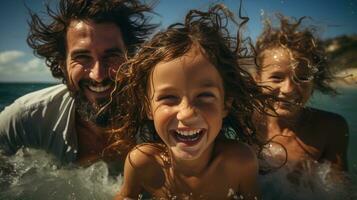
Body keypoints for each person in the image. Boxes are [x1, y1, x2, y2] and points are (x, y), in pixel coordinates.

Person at [113, 5, 271, 200]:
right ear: (148, 107)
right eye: (168, 98)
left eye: (204, 96)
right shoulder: (142, 163)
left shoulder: (240, 164)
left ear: (225, 105)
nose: (187, 113)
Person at [0, 0, 155, 165]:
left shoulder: (159, 117)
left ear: (131, 58)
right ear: (62, 65)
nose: (98, 75)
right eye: (82, 57)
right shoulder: (26, 120)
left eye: (111, 55)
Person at [254, 14, 349, 177]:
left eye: (303, 77)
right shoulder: (244, 120)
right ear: (258, 79)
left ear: (314, 83)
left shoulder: (330, 128)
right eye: (276, 77)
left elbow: (340, 191)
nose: (288, 89)